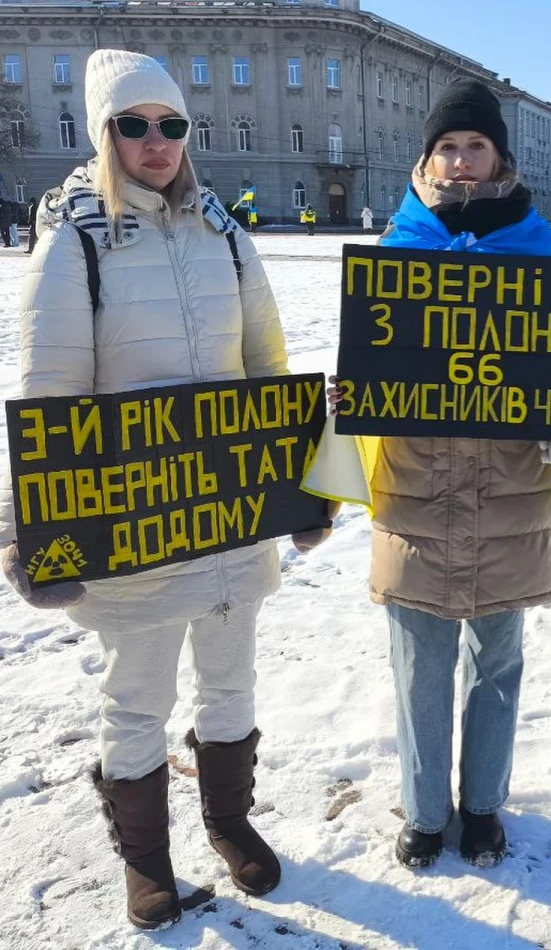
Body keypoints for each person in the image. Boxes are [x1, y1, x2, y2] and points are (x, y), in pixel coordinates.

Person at [0, 50, 333, 930]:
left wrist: (304, 485)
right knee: (137, 697)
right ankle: (146, 861)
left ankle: (230, 821)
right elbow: (50, 391)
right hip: (132, 525)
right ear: (105, 133)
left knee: (231, 685)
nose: (156, 142)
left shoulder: (225, 230)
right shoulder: (74, 239)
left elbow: (267, 362)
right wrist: (28, 531)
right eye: (133, 125)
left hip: (227, 513)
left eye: (171, 125)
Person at [326, 79, 551, 871]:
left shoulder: (537, 247)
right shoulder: (399, 246)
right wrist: (355, 392)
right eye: (447, 145)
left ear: (499, 158)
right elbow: (379, 365)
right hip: (417, 488)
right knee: (420, 663)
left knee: (499, 661)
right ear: (428, 156)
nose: (460, 159)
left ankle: (482, 807)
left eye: (475, 145)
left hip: (510, 489)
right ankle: (422, 809)